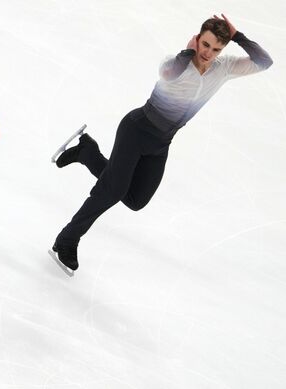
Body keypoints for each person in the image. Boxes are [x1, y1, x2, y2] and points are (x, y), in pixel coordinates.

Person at [50, 14, 273, 275]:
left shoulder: (224, 68)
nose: (209, 53)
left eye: (216, 49)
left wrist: (238, 37)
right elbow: (167, 73)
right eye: (205, 45)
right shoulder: (177, 63)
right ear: (197, 39)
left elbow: (264, 62)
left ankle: (86, 152)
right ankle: (67, 239)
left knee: (135, 199)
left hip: (161, 143)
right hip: (136, 130)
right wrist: (187, 52)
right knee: (110, 191)